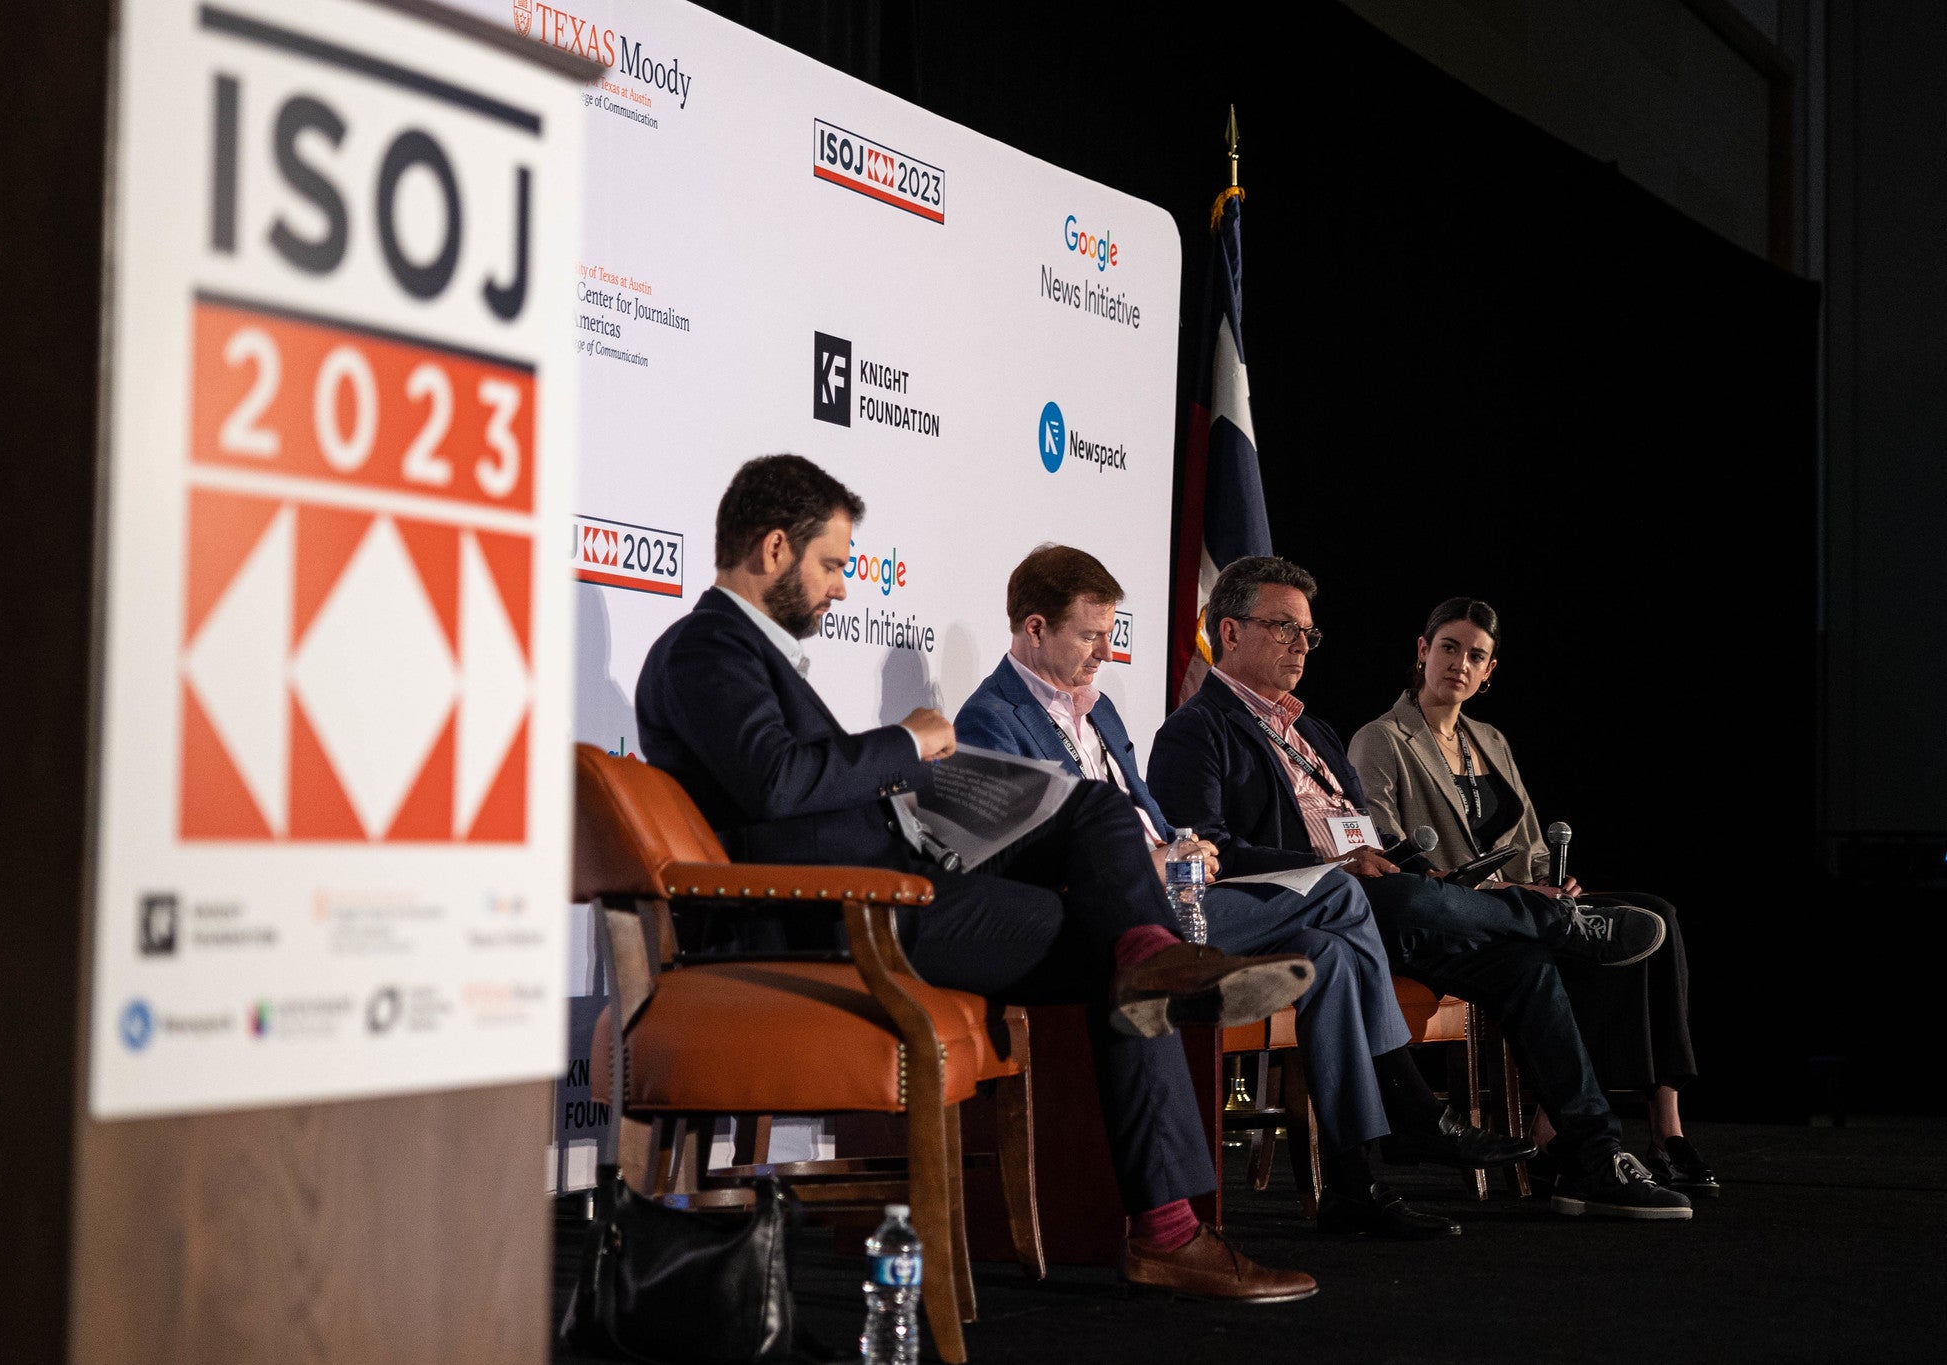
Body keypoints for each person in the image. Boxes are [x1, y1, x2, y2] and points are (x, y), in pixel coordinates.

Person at [635, 455, 1321, 1301]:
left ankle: (1154, 952)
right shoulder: (705, 649)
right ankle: (1166, 1226)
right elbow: (775, 781)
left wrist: (942, 801)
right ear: (774, 548)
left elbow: (791, 785)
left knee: (1093, 813)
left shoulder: (737, 651)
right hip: (842, 915)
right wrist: (907, 745)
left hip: (892, 875)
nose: (842, 589)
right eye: (831, 565)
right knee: (1122, 964)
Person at [954, 544, 1536, 1240]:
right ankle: (1407, 1106)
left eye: (1110, 635)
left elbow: (1146, 812)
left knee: (1331, 950)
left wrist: (1177, 842)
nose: (1104, 653)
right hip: (1111, 913)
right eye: (1089, 635)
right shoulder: (991, 717)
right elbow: (1030, 845)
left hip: (1177, 890)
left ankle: (1357, 1183)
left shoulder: (1100, 712)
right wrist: (1165, 854)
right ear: (1034, 628)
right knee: (1340, 896)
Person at [1148, 555, 1694, 1221]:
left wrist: (1408, 865)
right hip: (1301, 911)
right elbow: (1206, 849)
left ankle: (1592, 1152)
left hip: (1382, 908)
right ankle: (1550, 919)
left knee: (1520, 965)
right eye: (1283, 627)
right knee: (1396, 897)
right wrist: (1333, 870)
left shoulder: (1311, 731)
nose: (1300, 644)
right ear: (1228, 632)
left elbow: (1369, 834)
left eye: (1307, 633)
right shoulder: (1195, 730)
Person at [1347, 596, 1718, 1196]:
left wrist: (1555, 880)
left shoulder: (1489, 738)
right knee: (1560, 946)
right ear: (1422, 651)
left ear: (1489, 671)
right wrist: (1514, 892)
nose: (1459, 664)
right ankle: (1566, 1130)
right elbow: (1388, 858)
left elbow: (1530, 846)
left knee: (1657, 915)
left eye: (1476, 656)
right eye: (1448, 648)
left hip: (1520, 900)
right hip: (1448, 912)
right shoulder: (1380, 739)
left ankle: (1662, 1121)